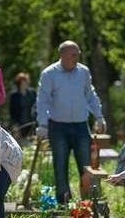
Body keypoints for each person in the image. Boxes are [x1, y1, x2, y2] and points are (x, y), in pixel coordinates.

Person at [36, 40, 106, 204]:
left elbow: (91, 96)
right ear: (62, 55)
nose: (77, 58)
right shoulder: (49, 74)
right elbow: (42, 101)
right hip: (58, 127)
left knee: (87, 167)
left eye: (78, 54)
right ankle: (64, 203)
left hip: (81, 126)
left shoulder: (83, 72)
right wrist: (42, 124)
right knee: (60, 166)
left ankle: (88, 203)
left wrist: (99, 116)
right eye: (73, 55)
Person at [9, 72, 37, 138]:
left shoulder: (32, 93)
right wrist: (14, 124)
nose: (25, 84)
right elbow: (12, 111)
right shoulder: (14, 96)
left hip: (32, 122)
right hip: (20, 123)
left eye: (26, 82)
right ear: (19, 83)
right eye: (23, 82)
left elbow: (36, 106)